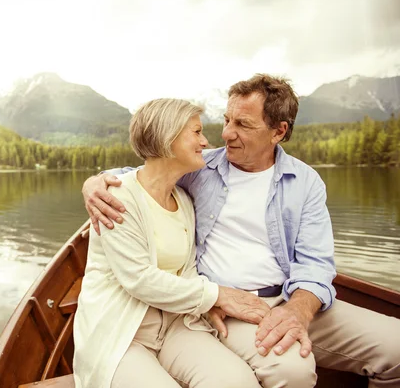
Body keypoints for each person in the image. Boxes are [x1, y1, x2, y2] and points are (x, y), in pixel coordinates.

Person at [82, 74, 400, 388]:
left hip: (294, 297)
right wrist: (95, 182)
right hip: (229, 307)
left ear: (279, 131)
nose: (225, 135)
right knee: (291, 371)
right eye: (226, 120)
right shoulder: (199, 169)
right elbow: (147, 171)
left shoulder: (305, 182)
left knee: (396, 345)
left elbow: (316, 264)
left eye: (243, 125)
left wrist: (298, 310)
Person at [73, 98, 269, 388]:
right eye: (196, 132)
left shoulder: (184, 201)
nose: (205, 141)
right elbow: (139, 279)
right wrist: (216, 296)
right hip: (123, 333)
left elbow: (187, 269)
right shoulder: (118, 198)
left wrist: (204, 305)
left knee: (238, 382)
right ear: (168, 137)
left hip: (177, 325)